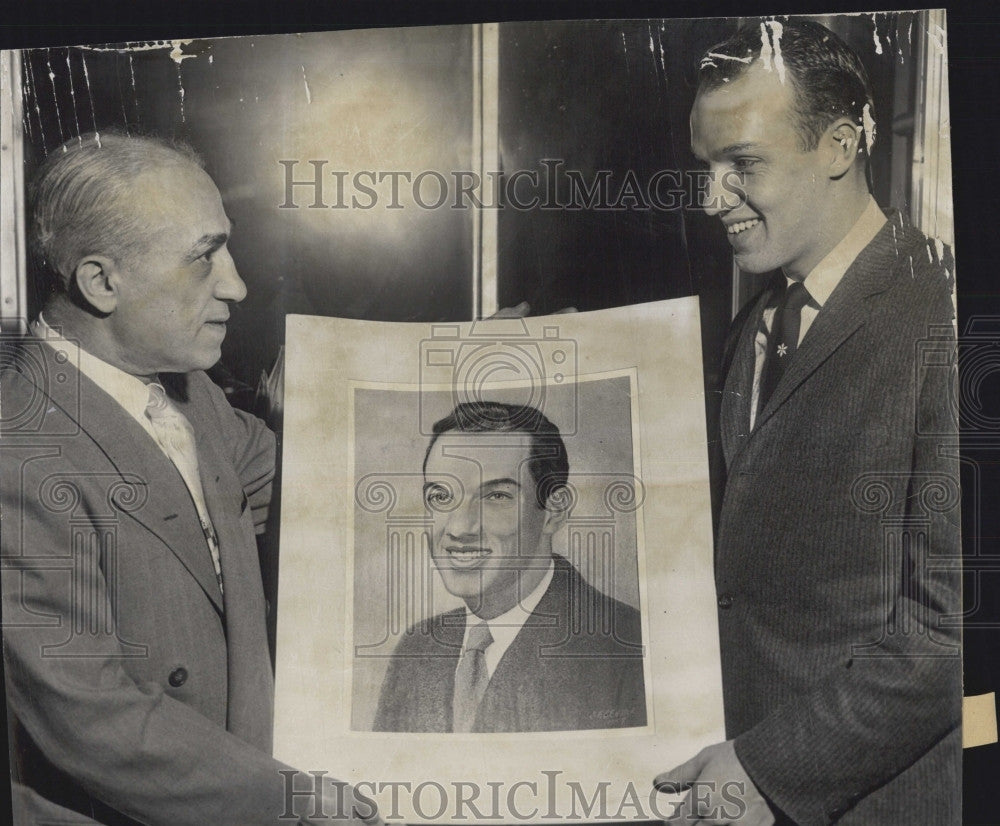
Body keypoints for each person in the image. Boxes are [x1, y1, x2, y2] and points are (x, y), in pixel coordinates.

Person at [0, 133, 379, 826]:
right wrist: (286, 799)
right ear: (102, 282)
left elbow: (323, 483)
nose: (236, 284)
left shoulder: (193, 393)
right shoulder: (17, 449)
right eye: (204, 258)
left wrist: (450, 369)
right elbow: (90, 716)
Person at [653, 20, 961, 825]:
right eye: (707, 168)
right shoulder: (753, 325)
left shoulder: (949, 321)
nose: (713, 197)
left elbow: (946, 633)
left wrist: (765, 769)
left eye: (743, 165)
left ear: (837, 146)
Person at [372, 401, 646, 733]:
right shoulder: (417, 649)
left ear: (554, 511)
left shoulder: (628, 649)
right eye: (441, 496)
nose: (460, 528)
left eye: (497, 497)